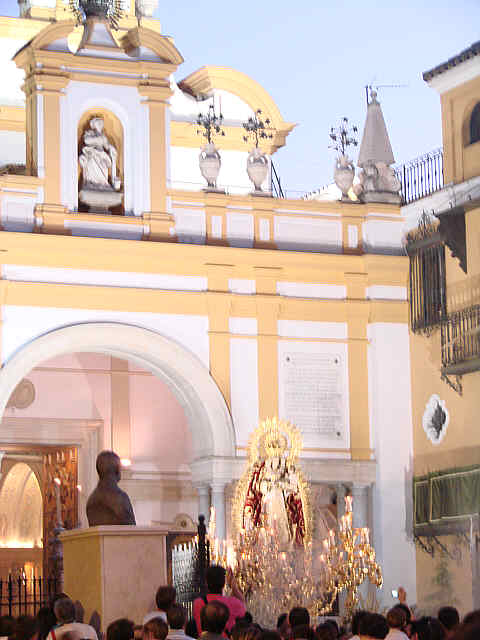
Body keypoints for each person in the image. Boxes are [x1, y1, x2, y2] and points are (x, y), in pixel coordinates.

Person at [86, 451, 136, 526]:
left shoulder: (91, 499)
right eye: (120, 468)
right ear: (116, 470)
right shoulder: (120, 497)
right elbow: (131, 529)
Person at [193, 566, 245, 635]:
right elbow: (242, 605)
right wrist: (234, 587)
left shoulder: (198, 603)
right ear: (224, 583)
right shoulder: (233, 602)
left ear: (206, 583)